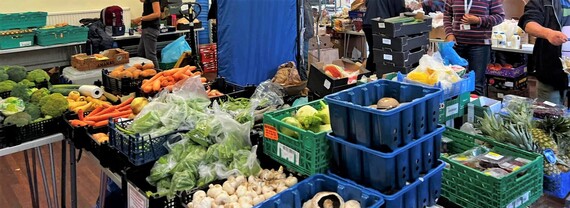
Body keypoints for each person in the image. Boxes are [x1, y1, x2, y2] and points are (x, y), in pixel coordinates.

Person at [443, 0, 504, 96]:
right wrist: (449, 34)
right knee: (454, 81)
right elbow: (446, 15)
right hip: (456, 44)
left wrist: (478, 20)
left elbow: (500, 17)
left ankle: (474, 109)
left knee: (476, 84)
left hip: (479, 45)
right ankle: (456, 108)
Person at [519, 0, 569, 105]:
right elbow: (528, 23)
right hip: (551, 69)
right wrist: (548, 33)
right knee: (549, 116)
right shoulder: (543, 1)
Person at [363, 0, 406, 73]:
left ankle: (368, 76)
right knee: (384, 52)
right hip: (383, 25)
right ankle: (377, 75)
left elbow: (366, 4)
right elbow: (400, 12)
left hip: (368, 24)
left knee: (373, 51)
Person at [132, 0, 161, 68]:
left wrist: (141, 18)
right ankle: (144, 72)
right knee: (140, 52)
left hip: (150, 30)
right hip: (146, 30)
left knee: (150, 56)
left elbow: (157, 14)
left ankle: (157, 74)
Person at [300, 0, 314, 81]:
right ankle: (303, 80)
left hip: (305, 35)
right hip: (304, 35)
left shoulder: (305, 3)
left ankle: (304, 80)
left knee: (304, 59)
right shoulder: (303, 3)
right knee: (303, 59)